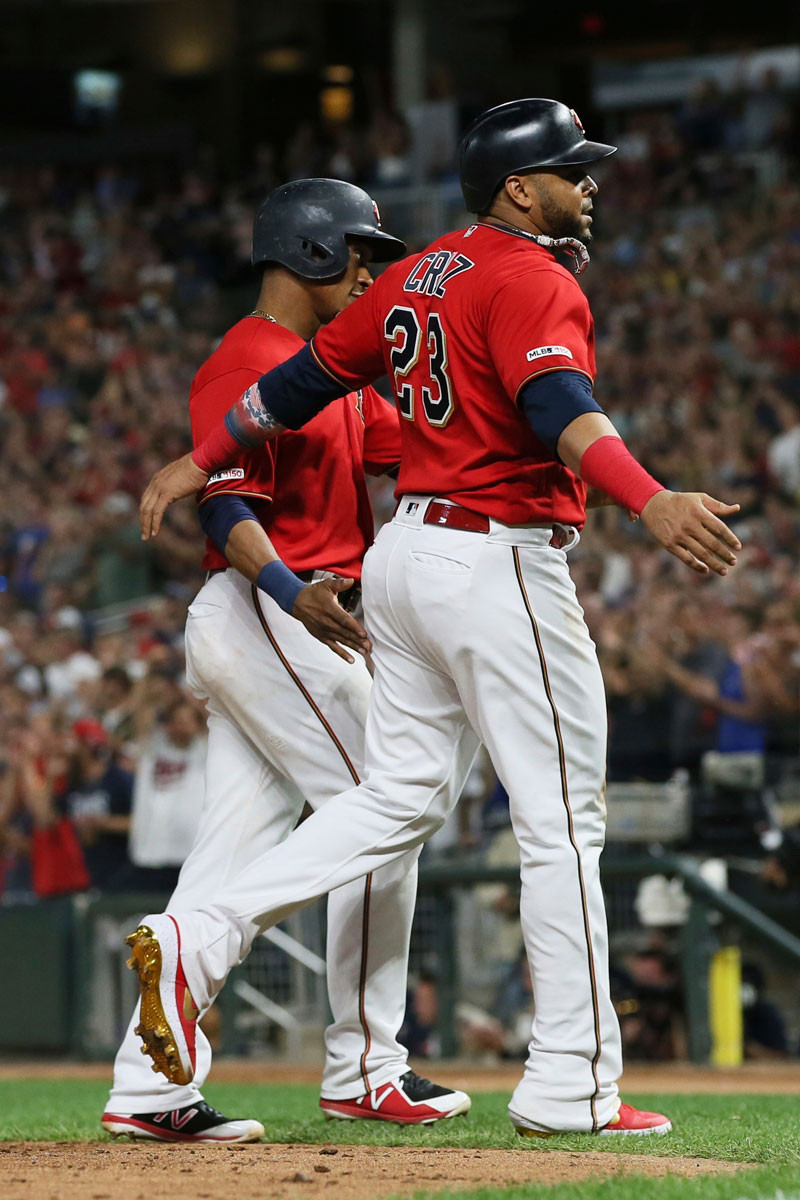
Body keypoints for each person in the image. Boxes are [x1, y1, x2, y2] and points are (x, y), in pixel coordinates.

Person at [133, 99, 743, 1136]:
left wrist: (198, 458)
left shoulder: (419, 273)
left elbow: (300, 382)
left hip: (403, 559)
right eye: (568, 168)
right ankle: (569, 1083)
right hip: (493, 556)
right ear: (518, 186)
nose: (585, 182)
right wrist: (650, 498)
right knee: (560, 821)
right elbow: (557, 412)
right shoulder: (529, 276)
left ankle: (201, 933)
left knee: (395, 801)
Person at [101, 179, 471, 1144]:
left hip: (280, 621)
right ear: (307, 252)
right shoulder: (246, 359)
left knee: (233, 848)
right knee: (387, 804)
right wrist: (288, 593)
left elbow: (421, 444)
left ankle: (147, 1086)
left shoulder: (326, 372)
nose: (369, 270)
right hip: (271, 609)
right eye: (357, 252)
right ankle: (363, 1067)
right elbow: (224, 505)